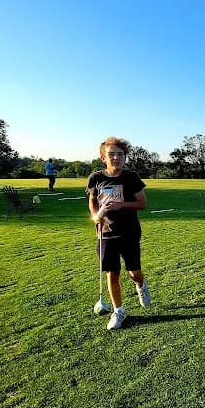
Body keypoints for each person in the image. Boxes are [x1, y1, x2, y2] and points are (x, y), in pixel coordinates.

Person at [86, 137, 151, 330]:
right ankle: (119, 311)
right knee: (112, 272)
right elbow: (92, 200)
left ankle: (141, 285)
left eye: (120, 154)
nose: (116, 158)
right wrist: (95, 216)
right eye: (111, 154)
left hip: (129, 231)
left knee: (134, 272)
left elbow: (142, 204)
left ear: (125, 157)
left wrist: (122, 204)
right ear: (103, 157)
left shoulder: (131, 178)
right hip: (105, 233)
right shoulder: (96, 178)